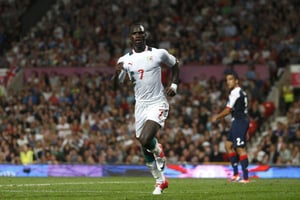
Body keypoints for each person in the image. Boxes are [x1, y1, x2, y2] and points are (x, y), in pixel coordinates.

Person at [111, 23, 180, 194]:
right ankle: (160, 181)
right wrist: (115, 72)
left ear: (145, 36)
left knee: (146, 138)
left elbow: (175, 64)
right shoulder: (124, 60)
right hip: (140, 105)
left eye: (140, 33)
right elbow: (115, 86)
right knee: (143, 143)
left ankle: (158, 149)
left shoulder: (158, 54)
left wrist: (174, 85)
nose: (138, 36)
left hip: (157, 102)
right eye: (134, 34)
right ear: (130, 38)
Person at [211, 71, 250, 183]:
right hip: (239, 121)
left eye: (230, 79)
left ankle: (246, 178)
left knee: (240, 148)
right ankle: (236, 174)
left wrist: (216, 117)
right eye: (227, 80)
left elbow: (228, 110)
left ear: (236, 81)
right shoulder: (241, 92)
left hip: (240, 121)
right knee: (228, 145)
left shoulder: (235, 92)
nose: (228, 82)